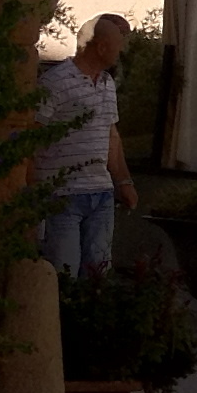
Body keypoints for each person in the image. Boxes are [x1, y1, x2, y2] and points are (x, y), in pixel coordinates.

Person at [39, 15, 137, 276]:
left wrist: (124, 182)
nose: (122, 50)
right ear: (102, 47)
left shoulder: (107, 85)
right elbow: (33, 136)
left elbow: (111, 135)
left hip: (101, 194)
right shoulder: (55, 82)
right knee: (64, 272)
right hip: (62, 194)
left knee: (98, 273)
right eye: (118, 44)